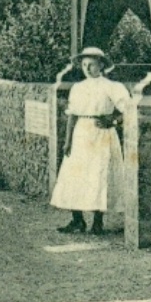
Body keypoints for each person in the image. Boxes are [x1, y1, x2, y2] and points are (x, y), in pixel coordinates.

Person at [50, 46, 131, 235]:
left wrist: (112, 120)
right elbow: (72, 115)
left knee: (98, 175)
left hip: (101, 134)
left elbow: (128, 110)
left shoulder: (112, 87)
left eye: (92, 65)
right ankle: (77, 220)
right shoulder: (78, 88)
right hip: (81, 134)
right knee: (74, 175)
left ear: (101, 65)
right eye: (84, 65)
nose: (87, 68)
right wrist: (68, 140)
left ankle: (97, 222)